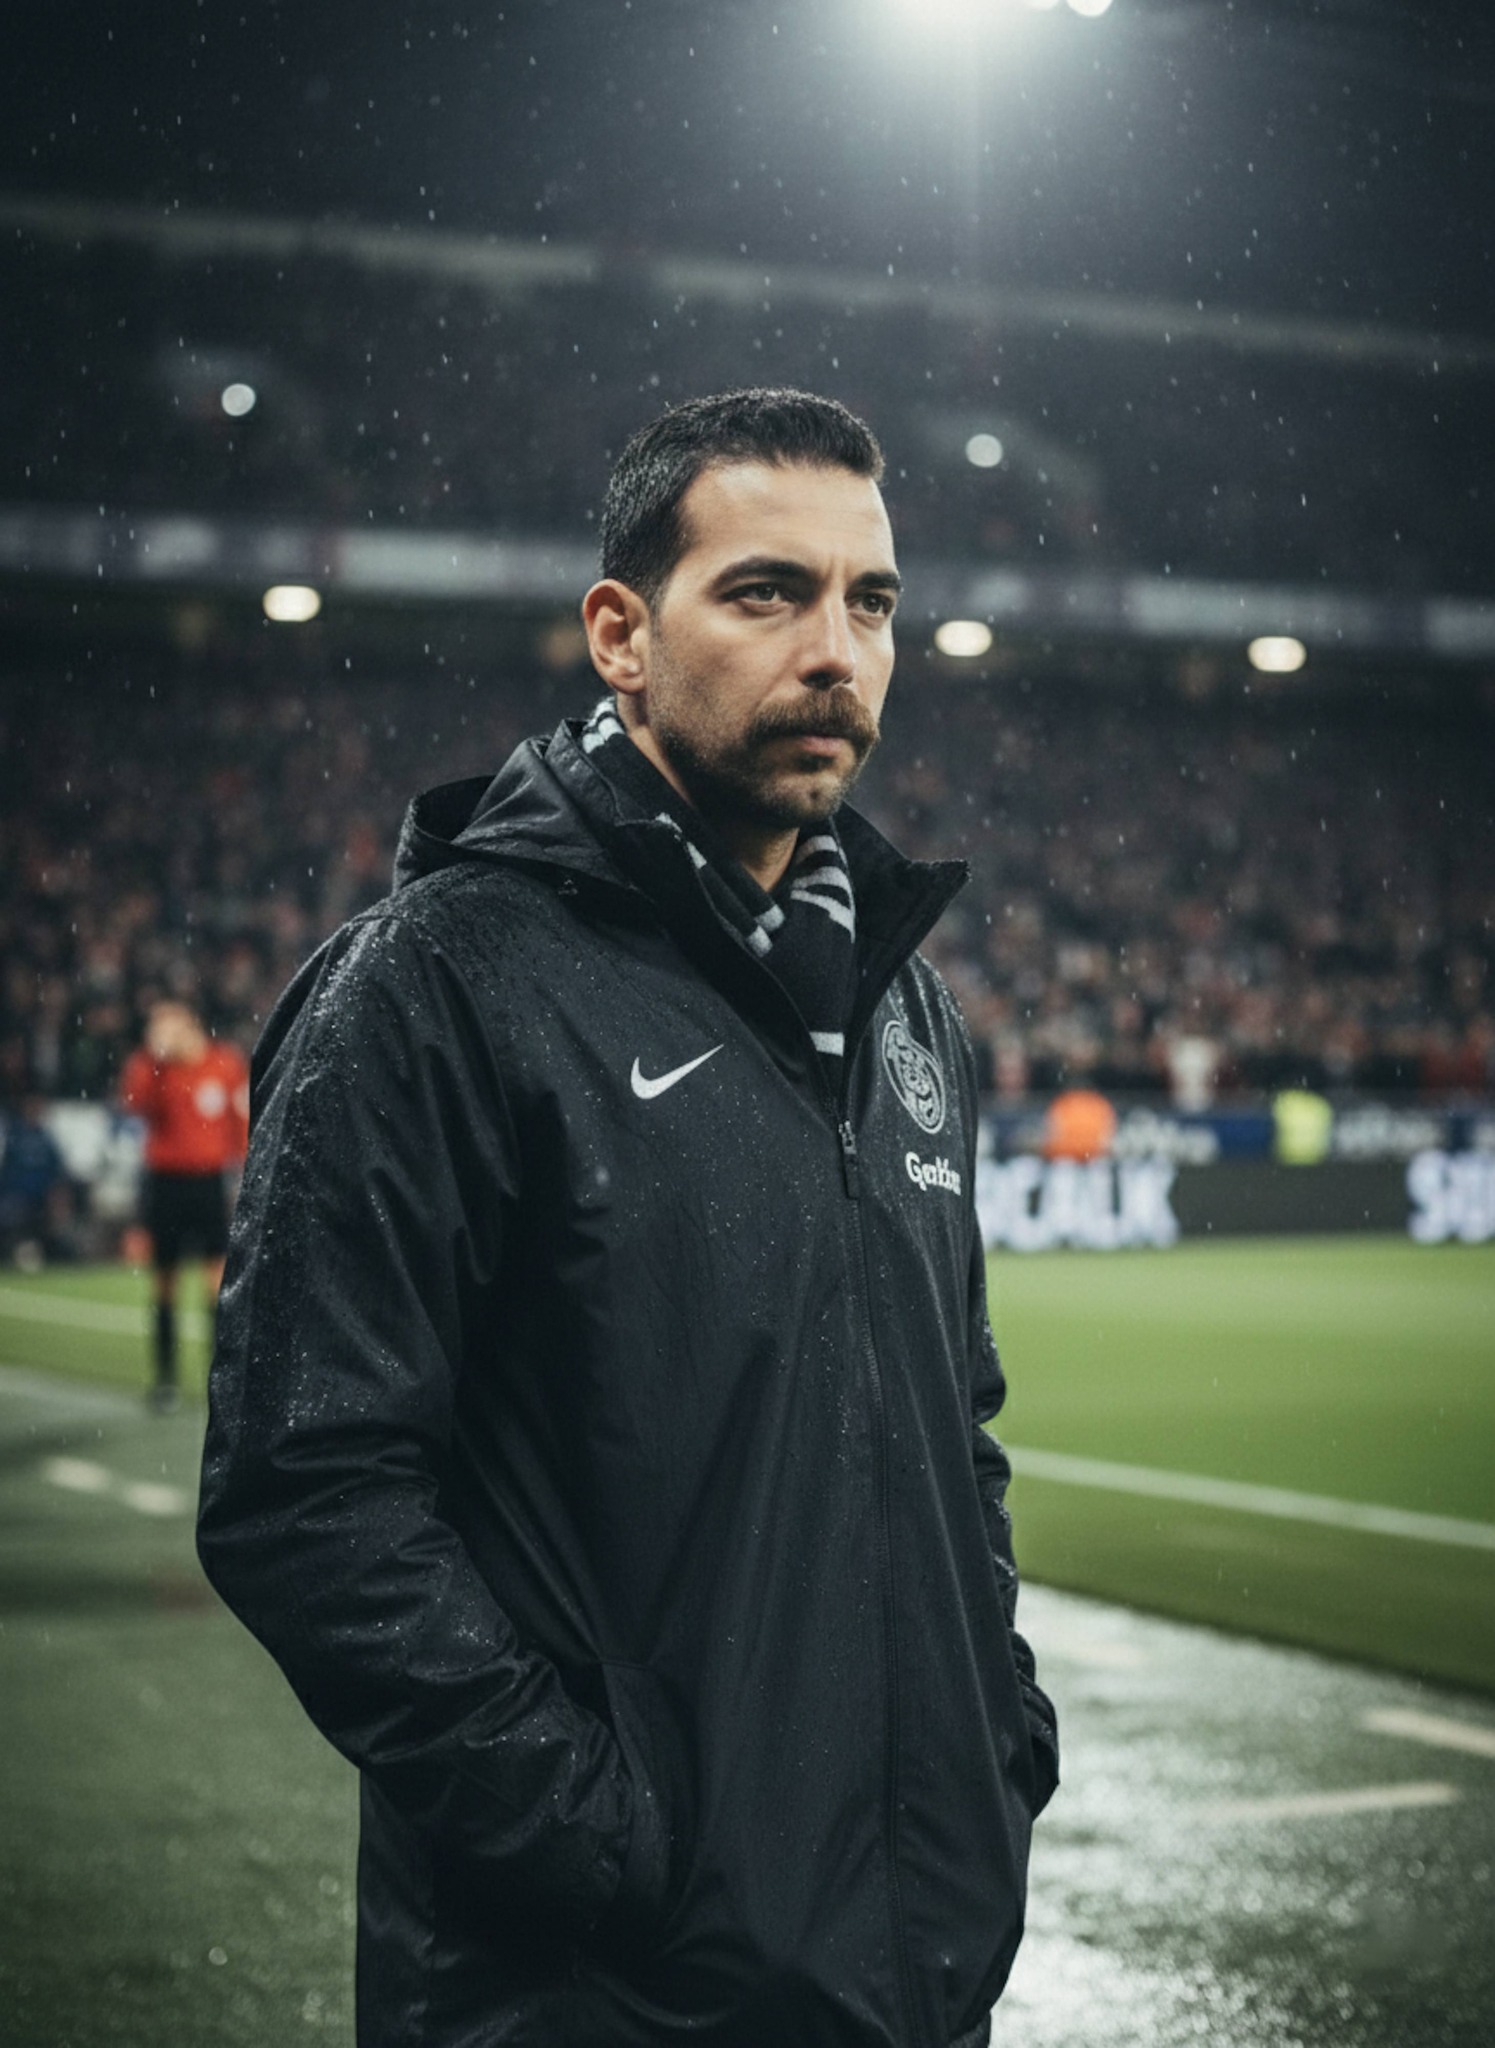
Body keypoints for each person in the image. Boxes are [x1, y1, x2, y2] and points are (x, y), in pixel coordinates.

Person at [197, 389, 1058, 2048]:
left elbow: (955, 1427)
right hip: (595, 1987)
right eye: (766, 592)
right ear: (620, 635)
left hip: (912, 1965)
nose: (836, 652)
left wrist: (992, 1747)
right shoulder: (436, 982)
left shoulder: (906, 1007)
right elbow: (305, 1491)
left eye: (871, 601)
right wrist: (596, 1841)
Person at [118, 998, 249, 1410]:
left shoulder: (224, 1063)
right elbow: (136, 1105)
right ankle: (166, 1381)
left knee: (218, 1285)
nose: (164, 1032)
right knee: (165, 1284)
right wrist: (157, 1062)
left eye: (170, 1023)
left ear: (191, 1024)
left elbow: (240, 1122)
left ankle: (222, 1384)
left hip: (209, 1185)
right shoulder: (150, 1066)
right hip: (166, 1184)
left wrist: (244, 1173)